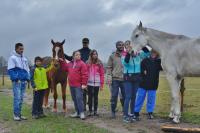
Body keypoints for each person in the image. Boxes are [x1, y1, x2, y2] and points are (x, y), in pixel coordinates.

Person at [121, 44, 150, 123]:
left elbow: (148, 53)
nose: (131, 49)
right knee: (128, 96)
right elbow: (126, 63)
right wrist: (129, 53)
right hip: (128, 77)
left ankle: (132, 114)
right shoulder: (124, 55)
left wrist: (142, 45)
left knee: (134, 97)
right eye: (128, 48)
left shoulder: (138, 55)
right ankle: (125, 115)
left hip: (137, 77)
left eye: (132, 48)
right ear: (126, 49)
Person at [60, 51, 88, 120]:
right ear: (73, 56)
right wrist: (62, 61)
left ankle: (81, 113)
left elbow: (85, 75)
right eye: (76, 55)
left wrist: (84, 84)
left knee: (79, 98)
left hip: (79, 85)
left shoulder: (82, 64)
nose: (78, 56)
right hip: (71, 85)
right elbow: (65, 68)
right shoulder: (70, 64)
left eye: (79, 54)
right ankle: (77, 112)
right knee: (74, 99)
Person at [134, 50, 162, 120]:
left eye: (155, 53)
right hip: (143, 84)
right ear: (150, 53)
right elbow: (141, 71)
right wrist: (143, 73)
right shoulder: (144, 61)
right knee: (140, 98)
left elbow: (163, 67)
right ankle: (136, 112)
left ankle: (150, 113)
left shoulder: (159, 62)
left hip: (153, 84)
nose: (153, 54)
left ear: (157, 54)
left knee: (151, 99)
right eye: (152, 52)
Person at [65, 38, 91, 111]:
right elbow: (71, 58)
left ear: (88, 43)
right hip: (80, 75)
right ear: (82, 43)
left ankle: (91, 109)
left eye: (86, 42)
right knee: (83, 93)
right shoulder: (79, 52)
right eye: (84, 42)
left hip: (89, 74)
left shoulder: (90, 52)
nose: (85, 44)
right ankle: (83, 108)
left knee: (90, 93)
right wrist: (63, 53)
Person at [7, 43, 30, 121]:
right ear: (16, 49)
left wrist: (28, 78)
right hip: (17, 82)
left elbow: (27, 69)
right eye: (20, 49)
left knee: (21, 99)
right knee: (17, 98)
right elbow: (10, 70)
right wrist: (16, 78)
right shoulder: (12, 58)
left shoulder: (24, 59)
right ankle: (15, 115)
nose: (22, 50)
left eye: (22, 49)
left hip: (24, 82)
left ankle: (19, 114)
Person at [106, 41, 125, 118]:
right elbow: (109, 67)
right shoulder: (112, 56)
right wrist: (109, 76)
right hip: (115, 79)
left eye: (122, 45)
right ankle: (113, 112)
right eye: (119, 45)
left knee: (125, 96)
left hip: (124, 79)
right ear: (116, 46)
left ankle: (125, 111)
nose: (121, 46)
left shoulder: (126, 55)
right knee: (114, 96)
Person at [86, 50, 104, 116]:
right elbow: (86, 73)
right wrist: (85, 83)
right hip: (89, 83)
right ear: (91, 55)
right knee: (90, 97)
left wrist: (101, 84)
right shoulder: (87, 63)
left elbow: (102, 74)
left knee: (96, 97)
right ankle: (90, 111)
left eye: (96, 54)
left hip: (97, 83)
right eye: (93, 54)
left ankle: (95, 111)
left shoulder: (100, 63)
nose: (95, 55)